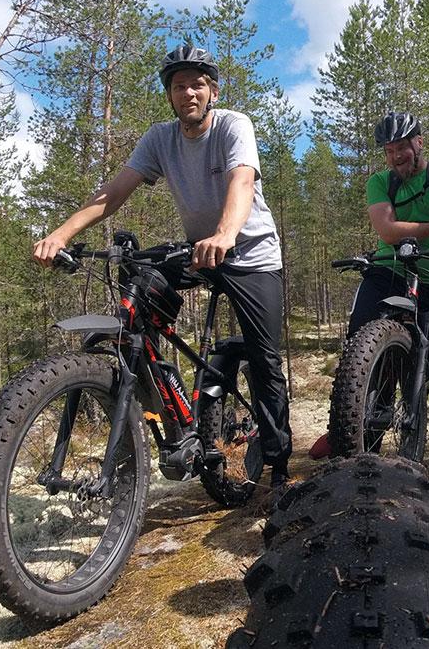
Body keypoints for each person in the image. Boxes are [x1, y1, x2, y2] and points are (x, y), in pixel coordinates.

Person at [33, 45, 292, 490]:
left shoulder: (233, 125)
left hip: (250, 254)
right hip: (199, 252)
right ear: (169, 95)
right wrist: (62, 233)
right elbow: (112, 193)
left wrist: (227, 233)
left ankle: (279, 464)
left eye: (197, 84)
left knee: (265, 359)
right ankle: (170, 414)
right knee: (138, 297)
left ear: (212, 90)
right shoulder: (160, 138)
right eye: (178, 86)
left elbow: (242, 180)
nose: (188, 92)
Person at [309, 112, 429, 464]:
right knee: (359, 347)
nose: (396, 156)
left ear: (419, 143)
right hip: (386, 270)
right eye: (389, 150)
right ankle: (344, 430)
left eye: (403, 147)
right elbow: (388, 232)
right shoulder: (380, 182)